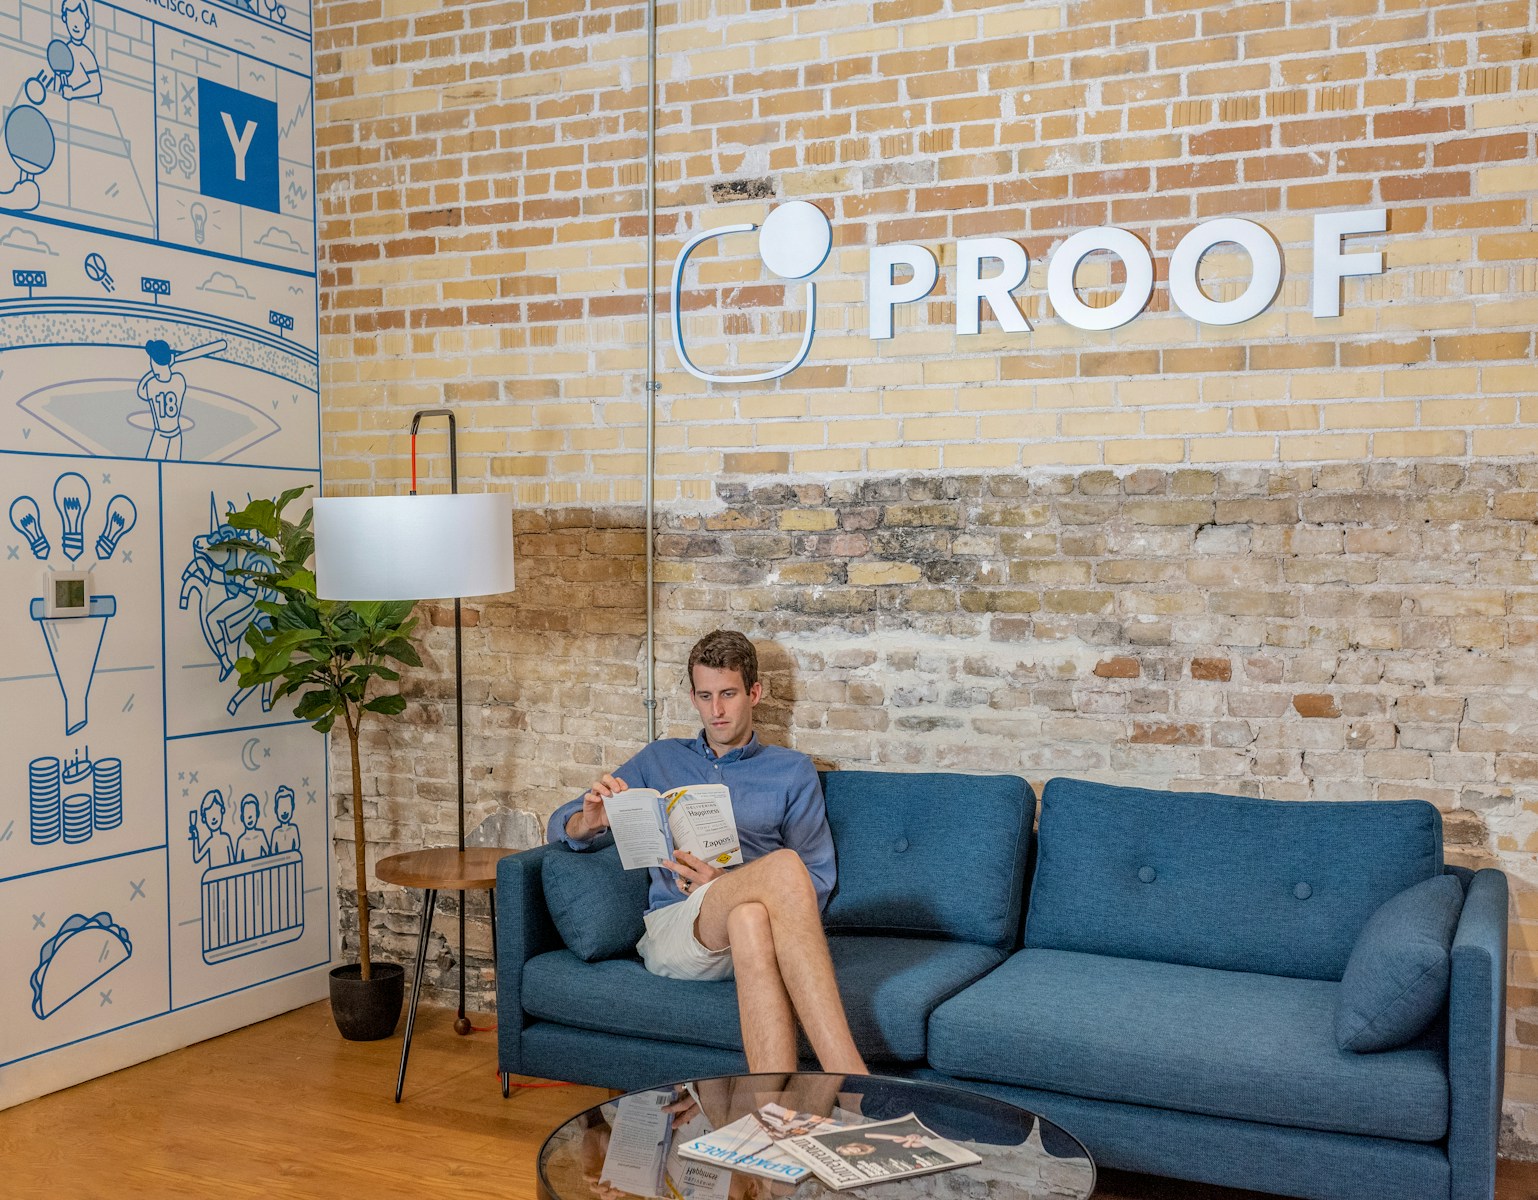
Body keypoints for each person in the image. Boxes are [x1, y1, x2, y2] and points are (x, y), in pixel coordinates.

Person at [548, 629, 866, 1075]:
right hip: (677, 927)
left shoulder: (791, 771)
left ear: (754, 693)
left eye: (729, 694)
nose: (716, 710)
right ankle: (854, 1084)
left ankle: (772, 1115)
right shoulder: (658, 759)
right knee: (782, 868)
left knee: (751, 914)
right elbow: (560, 826)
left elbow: (816, 880)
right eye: (705, 695)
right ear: (694, 697)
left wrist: (726, 887)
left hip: (755, 933)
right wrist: (591, 819)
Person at [137, 340, 186, 460]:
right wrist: (168, 366)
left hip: (161, 435)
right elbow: (169, 377)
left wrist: (152, 373)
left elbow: (140, 390)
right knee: (173, 471)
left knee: (151, 470)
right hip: (176, 434)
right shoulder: (179, 380)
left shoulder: (152, 385)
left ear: (154, 362)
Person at [59, 0, 102, 101]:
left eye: (79, 20)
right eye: (72, 19)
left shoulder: (86, 54)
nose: (76, 26)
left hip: (89, 108)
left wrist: (73, 93)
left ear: (86, 23)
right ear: (65, 19)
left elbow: (96, 86)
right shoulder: (63, 51)